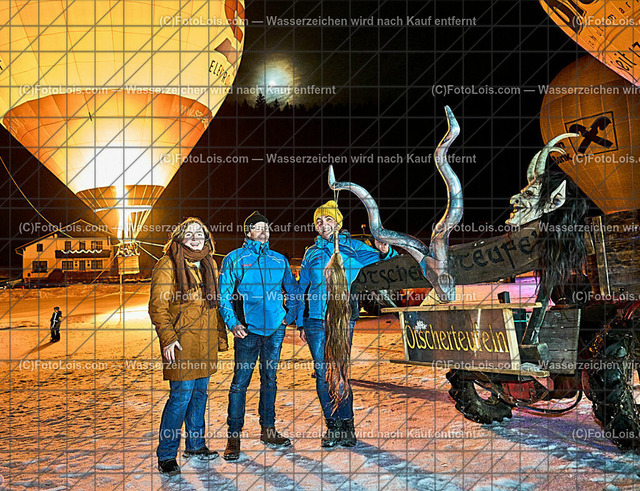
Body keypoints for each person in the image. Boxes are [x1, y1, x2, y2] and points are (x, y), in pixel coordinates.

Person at [298, 200, 397, 448]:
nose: (323, 224)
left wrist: (385, 250)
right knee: (323, 374)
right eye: (319, 221)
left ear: (338, 222)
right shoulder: (311, 253)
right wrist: (300, 322)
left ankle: (347, 424)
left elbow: (386, 261)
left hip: (341, 320)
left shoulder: (353, 247)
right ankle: (332, 426)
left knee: (339, 373)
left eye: (328, 219)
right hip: (314, 321)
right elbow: (302, 289)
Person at [149, 217, 228, 476]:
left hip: (205, 342)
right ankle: (166, 455)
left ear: (206, 238)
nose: (195, 238)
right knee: (180, 397)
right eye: (189, 233)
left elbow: (214, 305)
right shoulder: (168, 264)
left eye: (200, 234)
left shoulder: (209, 263)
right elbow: (158, 307)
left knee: (199, 395)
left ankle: (195, 445)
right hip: (182, 343)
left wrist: (219, 336)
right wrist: (168, 338)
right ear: (179, 238)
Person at [218, 212, 299, 461]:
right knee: (240, 383)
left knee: (270, 380)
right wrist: (233, 323)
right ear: (248, 232)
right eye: (258, 227)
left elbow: (293, 289)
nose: (264, 231)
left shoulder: (278, 259)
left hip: (274, 330)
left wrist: (289, 315)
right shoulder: (235, 259)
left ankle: (268, 430)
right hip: (247, 331)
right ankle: (233, 437)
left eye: (266, 227)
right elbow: (224, 295)